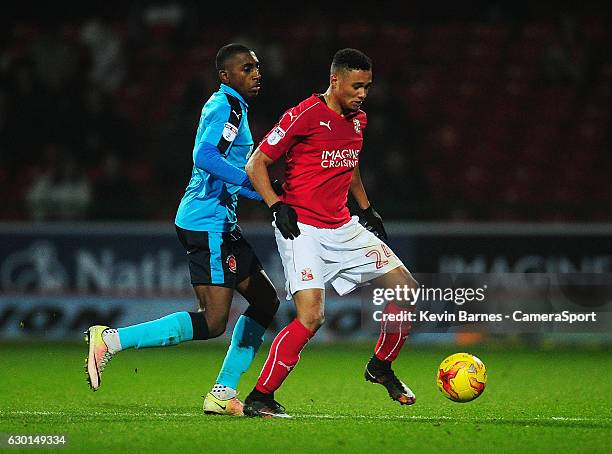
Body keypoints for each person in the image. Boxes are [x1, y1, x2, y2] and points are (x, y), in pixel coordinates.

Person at [84, 43, 280, 417]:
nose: (257, 73)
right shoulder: (227, 107)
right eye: (247, 67)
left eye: (258, 66)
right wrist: (259, 187)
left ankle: (223, 393)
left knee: (266, 300)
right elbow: (204, 157)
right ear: (226, 75)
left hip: (219, 222)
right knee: (212, 321)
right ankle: (111, 341)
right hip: (208, 223)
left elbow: (230, 175)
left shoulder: (232, 107)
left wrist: (265, 192)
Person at [242, 48, 419, 418]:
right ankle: (260, 397)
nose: (363, 93)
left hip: (343, 226)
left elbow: (350, 164)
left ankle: (380, 367)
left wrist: (366, 208)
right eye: (357, 86)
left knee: (407, 290)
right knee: (311, 318)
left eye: (368, 86)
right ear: (335, 80)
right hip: (302, 229)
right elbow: (256, 162)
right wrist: (276, 205)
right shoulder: (304, 115)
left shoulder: (358, 121)